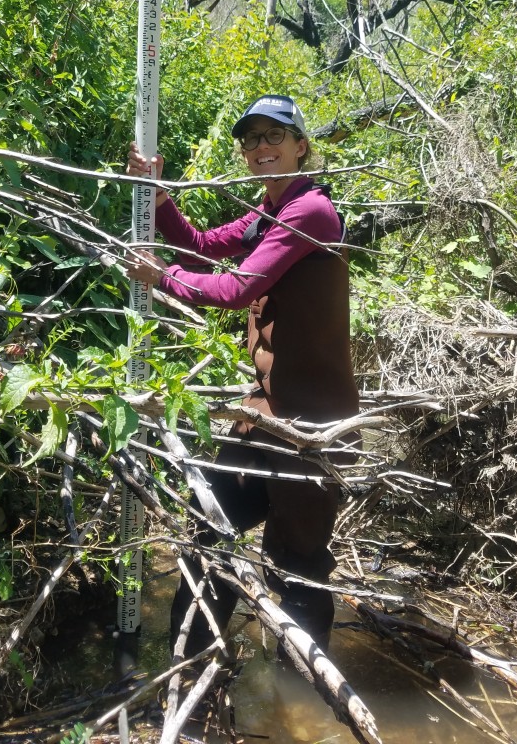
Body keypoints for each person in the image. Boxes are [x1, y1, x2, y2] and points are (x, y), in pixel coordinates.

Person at [126, 94, 360, 655]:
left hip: (313, 428)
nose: (260, 148)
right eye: (251, 139)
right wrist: (159, 201)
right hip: (268, 412)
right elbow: (205, 250)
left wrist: (161, 278)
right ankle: (190, 662)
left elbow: (236, 289)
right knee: (212, 530)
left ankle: (304, 703)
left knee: (298, 566)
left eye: (273, 136)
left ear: (301, 147)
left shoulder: (310, 212)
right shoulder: (270, 212)